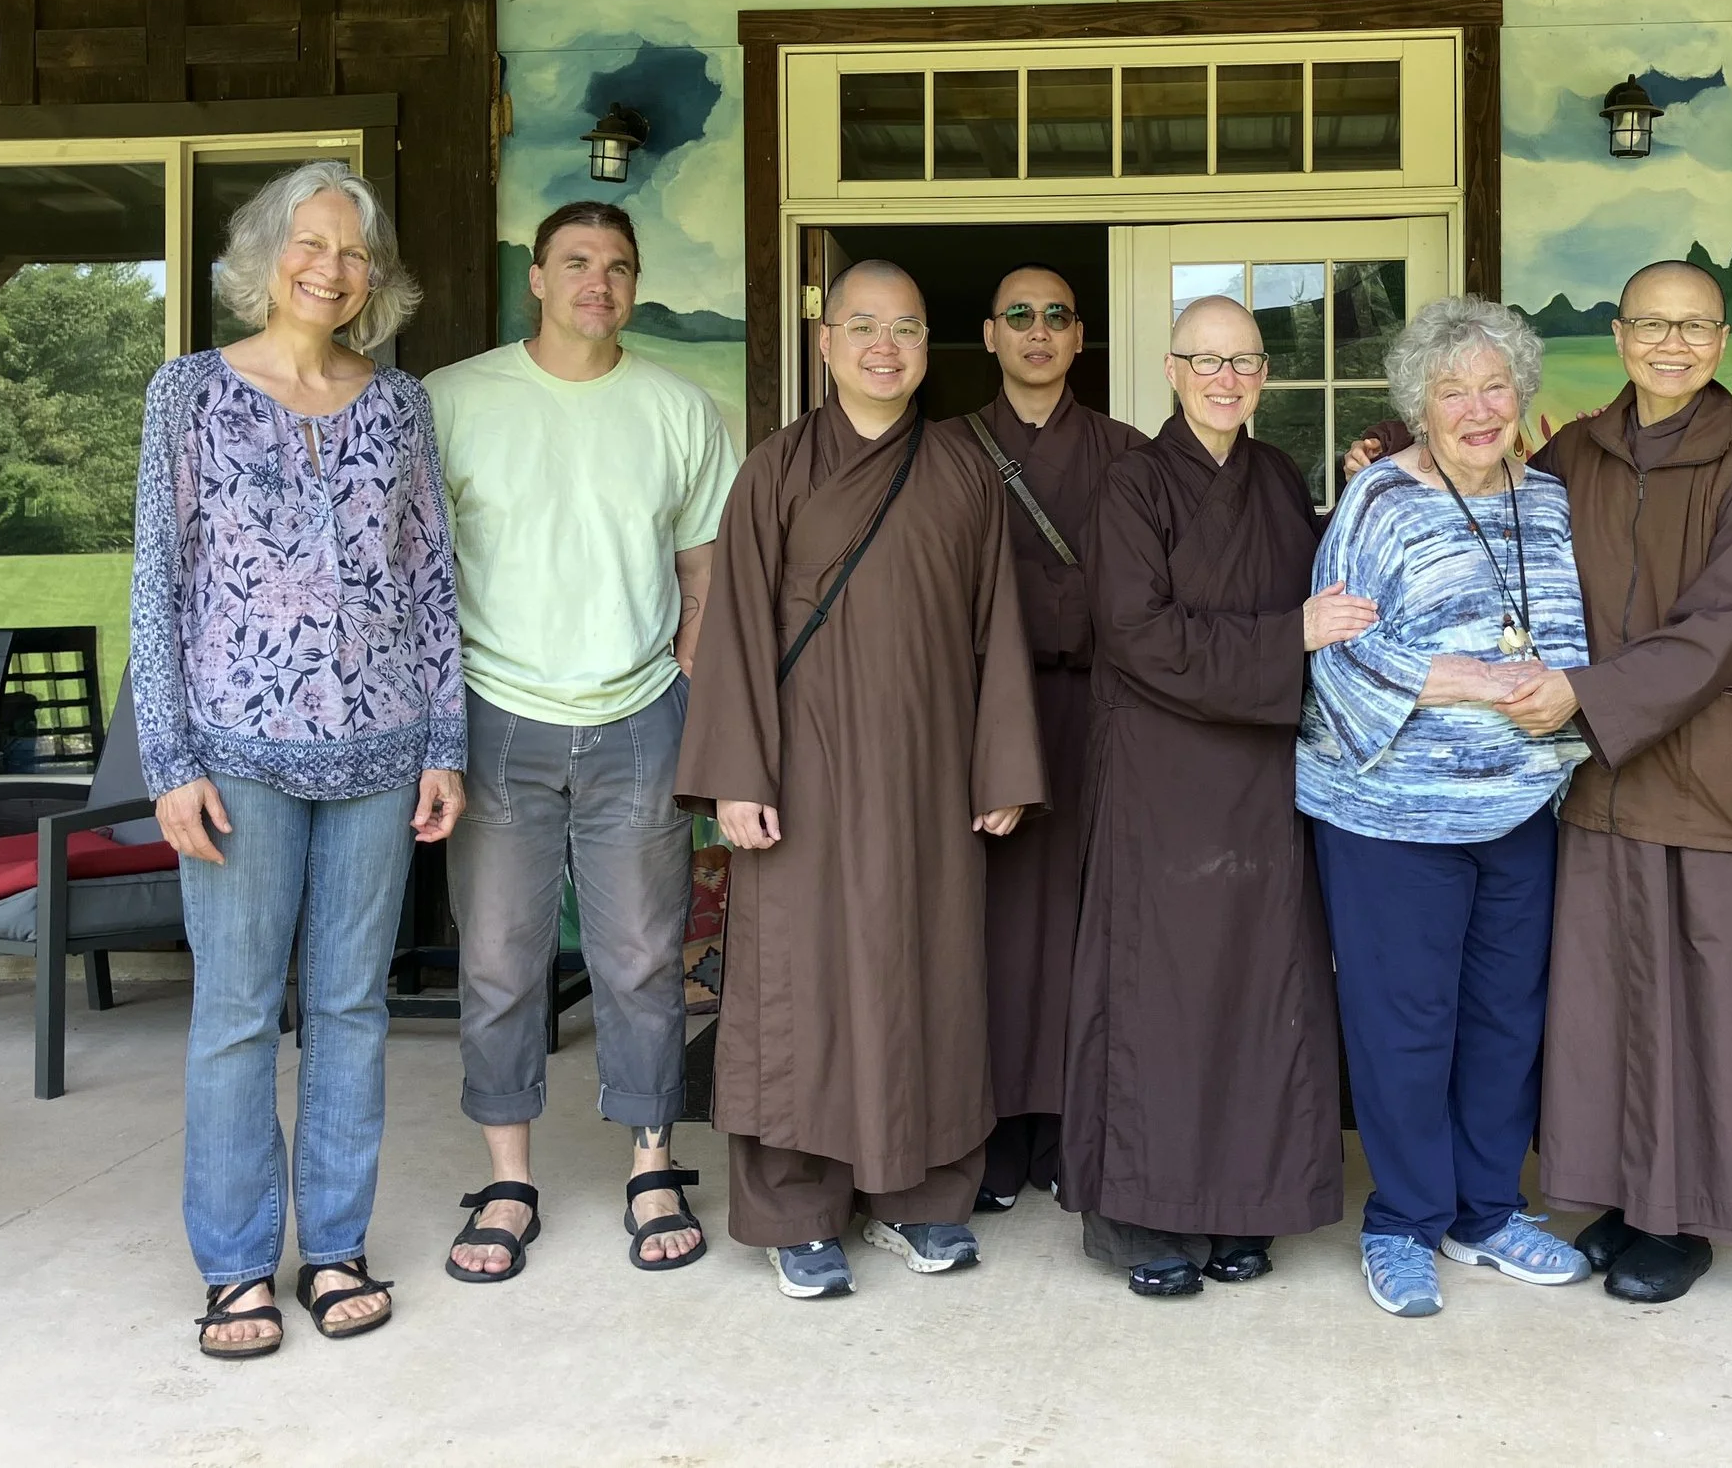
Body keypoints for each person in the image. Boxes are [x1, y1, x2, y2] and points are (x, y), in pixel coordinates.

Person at [130, 159, 464, 1359]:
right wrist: (168, 758)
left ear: (375, 278)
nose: (330, 269)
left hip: (382, 755)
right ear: (266, 256)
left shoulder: (400, 405)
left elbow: (431, 582)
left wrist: (445, 742)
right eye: (309, 245)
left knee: (349, 1011)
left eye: (354, 253)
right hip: (233, 755)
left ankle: (335, 1246)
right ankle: (233, 1266)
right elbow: (156, 589)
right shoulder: (190, 395)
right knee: (232, 1015)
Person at [678, 260, 1047, 1299]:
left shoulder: (966, 471)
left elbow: (997, 630)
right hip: (802, 771)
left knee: (924, 975)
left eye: (908, 328)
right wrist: (736, 778)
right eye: (864, 326)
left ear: (930, 347)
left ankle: (921, 1199)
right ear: (826, 345)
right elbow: (737, 630)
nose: (885, 346)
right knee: (796, 984)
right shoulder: (777, 470)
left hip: (931, 773)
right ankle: (797, 1210)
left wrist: (1002, 764)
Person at [1512, 263, 1732, 1305]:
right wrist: (1399, 460)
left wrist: (1580, 695)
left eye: (1695, 326)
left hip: (1716, 776)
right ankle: (1625, 1197)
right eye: (1652, 324)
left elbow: (1721, 628)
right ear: (1618, 335)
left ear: (1721, 340)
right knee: (1613, 999)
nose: (1673, 343)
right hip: (1605, 779)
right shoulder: (1574, 451)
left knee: (1712, 999)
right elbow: (1496, 518)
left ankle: (1690, 1216)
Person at [424, 202, 739, 1285]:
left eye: (616, 265)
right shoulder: (454, 401)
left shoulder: (679, 408)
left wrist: (696, 697)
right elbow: (415, 582)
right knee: (500, 960)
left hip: (638, 712)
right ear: (538, 281)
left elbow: (703, 581)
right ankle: (508, 1178)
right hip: (494, 714)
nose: (596, 282)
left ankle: (652, 1162)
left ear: (635, 284)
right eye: (576, 263)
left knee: (644, 959)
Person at [1060, 294, 1370, 1299]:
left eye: (1245, 362)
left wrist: (1360, 499)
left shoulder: (1277, 476)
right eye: (1207, 360)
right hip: (1162, 775)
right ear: (1170, 368)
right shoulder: (1133, 484)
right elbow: (1136, 633)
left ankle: (1244, 1204)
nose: (1227, 379)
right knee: (1162, 995)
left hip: (1262, 779)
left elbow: (1318, 579)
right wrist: (1289, 639)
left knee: (1257, 991)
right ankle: (1139, 1216)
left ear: (1265, 377)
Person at [1300, 296, 1597, 1319]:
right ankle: (1403, 1220)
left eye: (1494, 385)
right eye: (1450, 389)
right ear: (1416, 405)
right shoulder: (1377, 501)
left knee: (1506, 1019)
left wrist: (1563, 693)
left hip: (1521, 806)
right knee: (1404, 1024)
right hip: (1390, 815)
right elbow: (1336, 647)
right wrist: (1472, 680)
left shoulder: (1551, 500)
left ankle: (1485, 1211)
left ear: (1522, 394)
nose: (1477, 408)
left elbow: (1579, 634)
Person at [964, 264, 1145, 1215]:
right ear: (989, 335)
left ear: (1082, 339)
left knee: (1089, 922)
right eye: (1020, 316)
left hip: (1099, 715)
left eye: (1058, 317)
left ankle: (1082, 1125)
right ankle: (992, 1129)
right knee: (991, 924)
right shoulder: (948, 450)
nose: (1039, 331)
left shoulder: (1128, 453)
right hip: (982, 718)